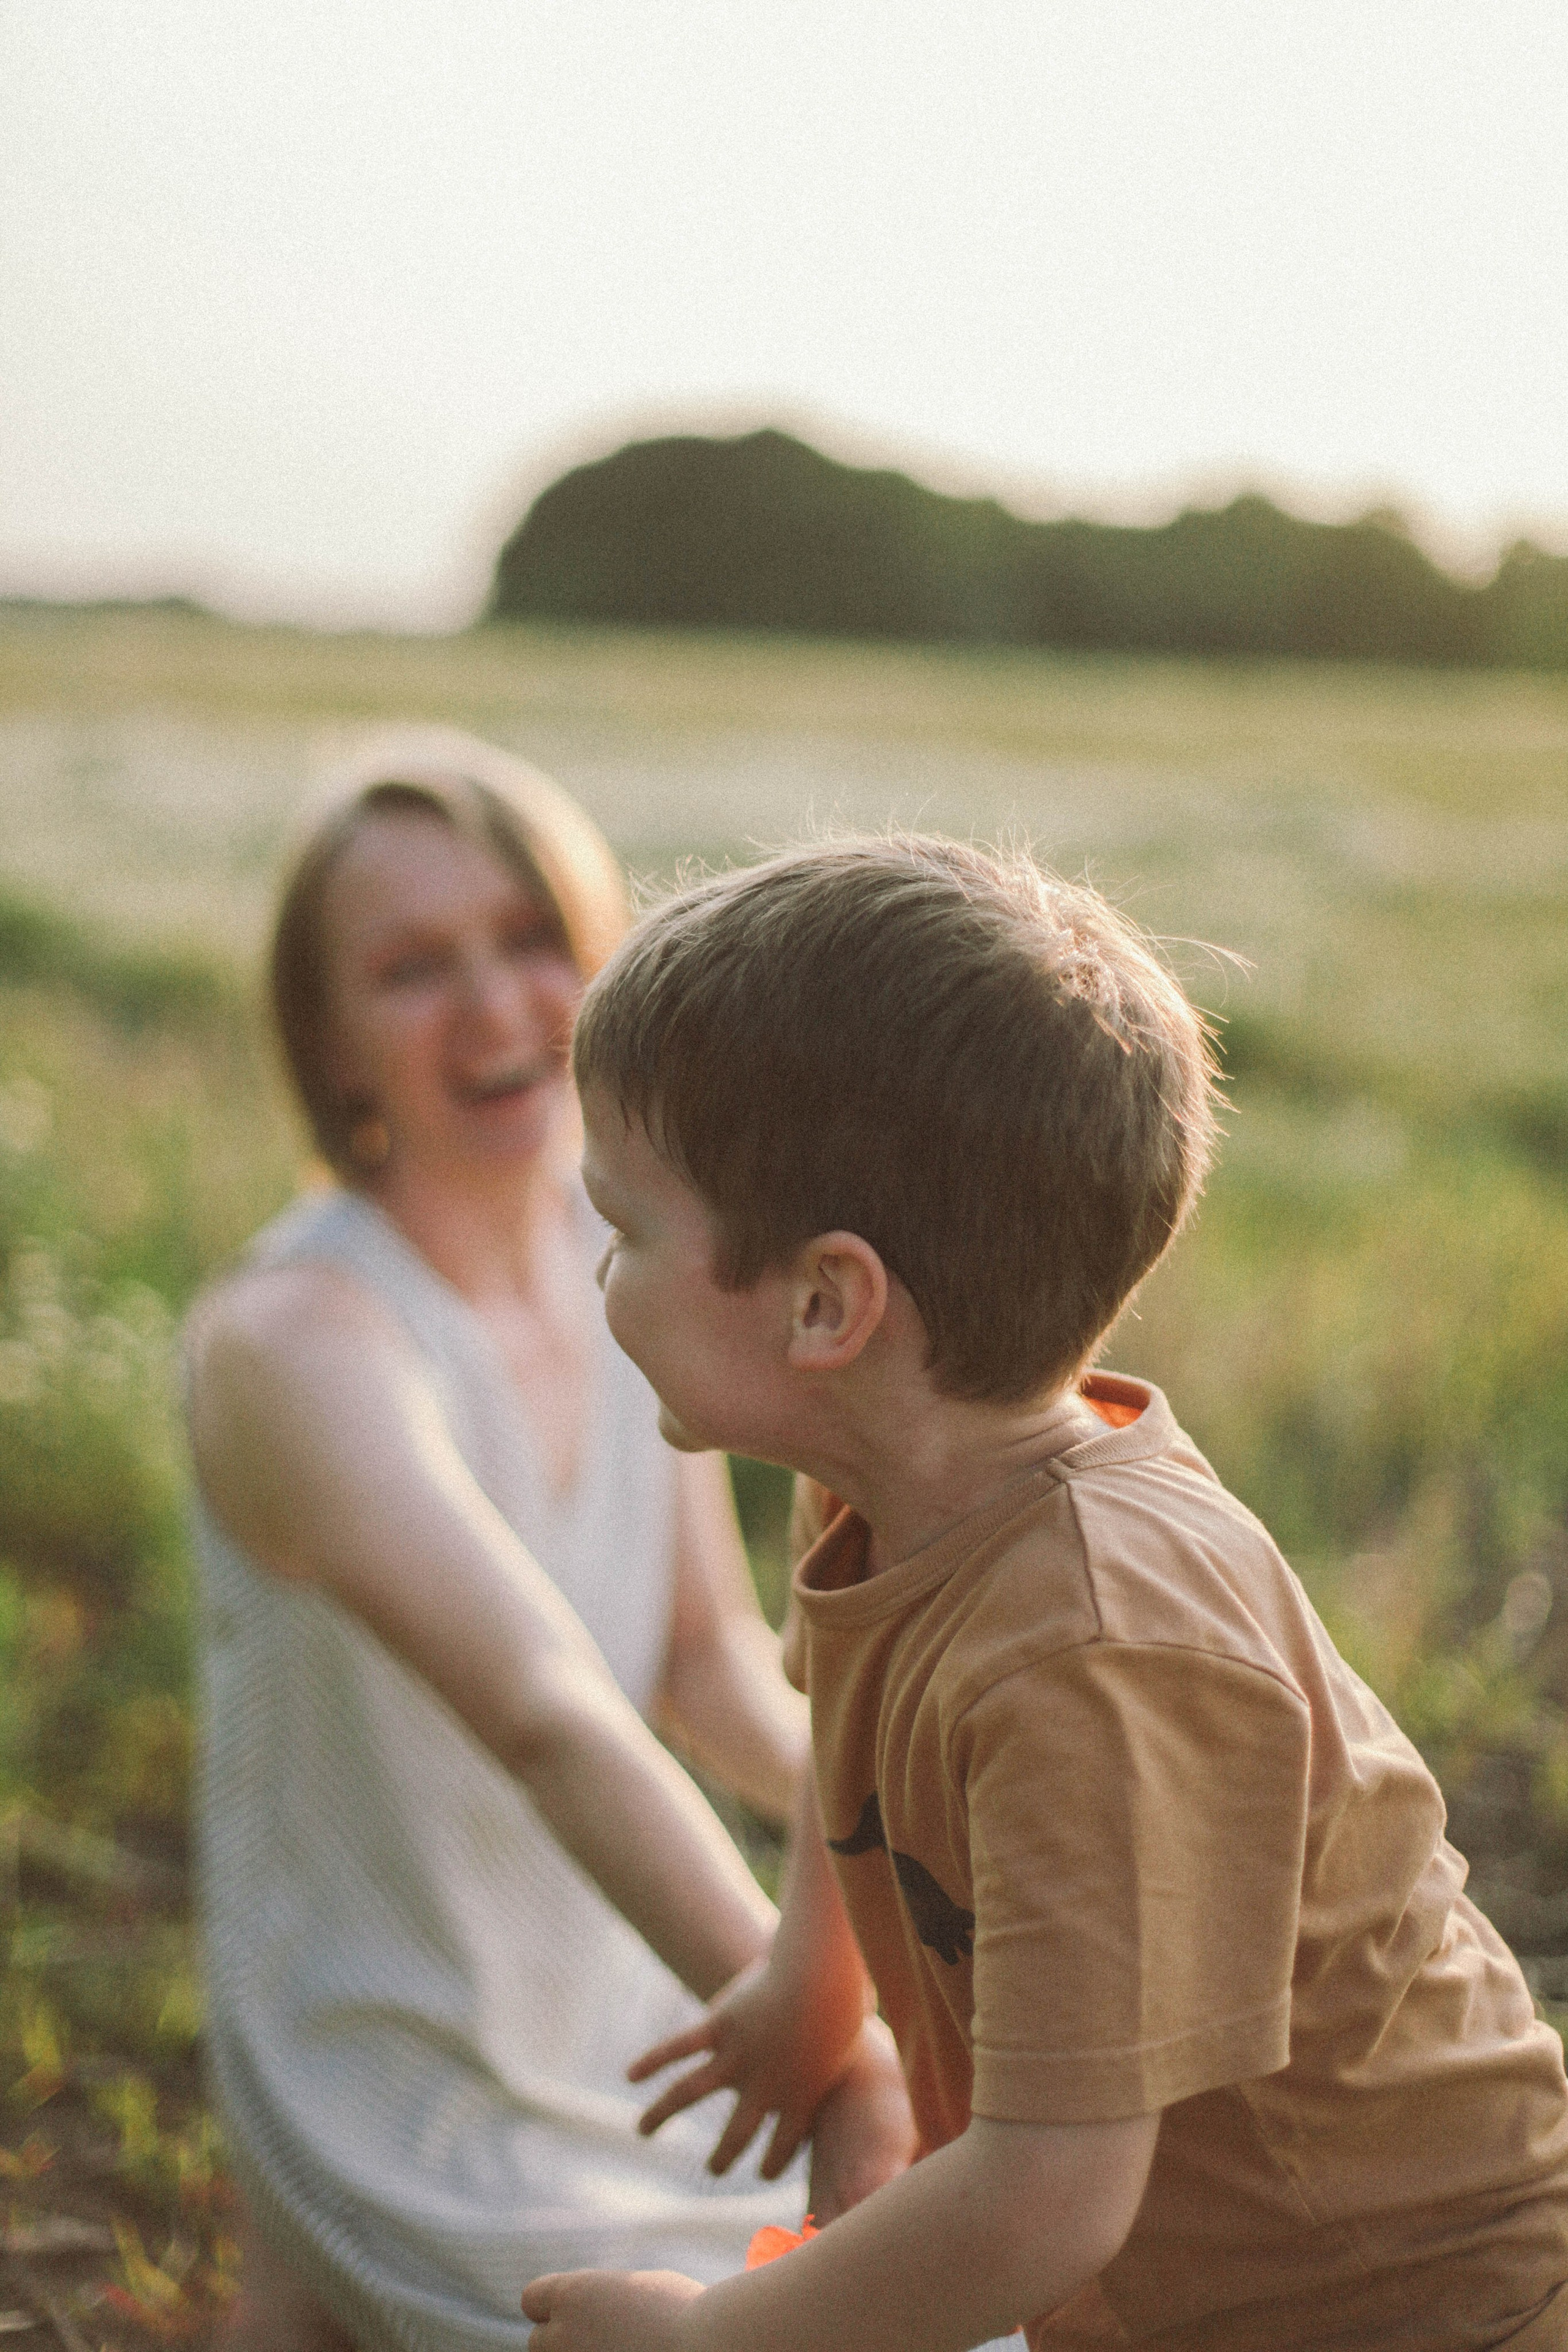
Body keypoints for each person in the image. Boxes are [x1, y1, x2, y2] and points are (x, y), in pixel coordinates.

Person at [522, 835, 1568, 2352]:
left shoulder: (1090, 1652)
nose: (595, 1272)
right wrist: (815, 1983)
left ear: (824, 1303)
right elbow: (851, 1757)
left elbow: (1045, 2200)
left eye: (622, 1230)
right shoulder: (886, 1484)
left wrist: (708, 2339)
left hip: (1409, 2312)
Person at [184, 734, 908, 2352]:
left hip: (653, 2023)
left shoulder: (626, 1259)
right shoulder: (295, 1343)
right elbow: (549, 1714)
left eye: (530, 939)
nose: (498, 1008)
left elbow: (704, 1665)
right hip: (409, 2073)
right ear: (327, 1038)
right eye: (411, 968)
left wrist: (912, 1879)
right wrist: (831, 2047)